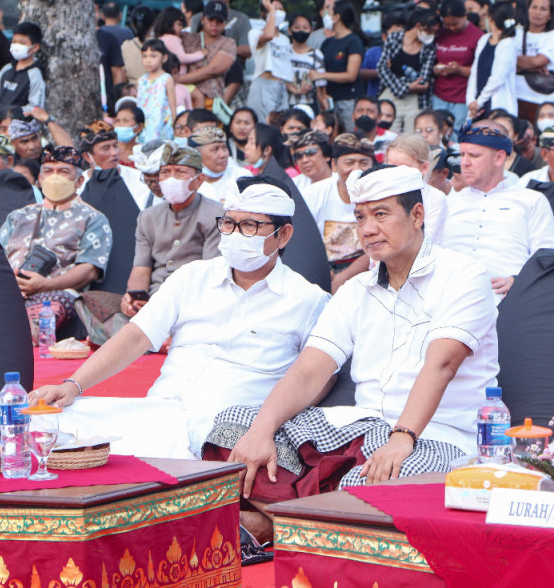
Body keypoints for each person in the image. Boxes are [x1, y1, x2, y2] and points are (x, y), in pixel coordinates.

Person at [204, 165, 498, 542]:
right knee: (234, 426)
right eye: (360, 216)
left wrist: (403, 437)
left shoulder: (464, 275)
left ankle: (270, 524)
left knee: (398, 483)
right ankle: (313, 526)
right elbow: (310, 369)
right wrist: (262, 430)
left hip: (434, 436)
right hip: (356, 427)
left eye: (381, 214)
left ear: (417, 215)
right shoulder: (356, 289)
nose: (367, 229)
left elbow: (442, 363)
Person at [35, 177, 328, 459]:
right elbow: (137, 336)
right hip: (160, 412)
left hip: (227, 431)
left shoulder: (308, 300)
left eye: (250, 225)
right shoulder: (192, 277)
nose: (235, 234)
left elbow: (319, 379)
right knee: (48, 422)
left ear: (284, 234)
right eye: (228, 223)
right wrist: (73, 386)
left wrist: (268, 429)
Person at [0, 145, 112, 337]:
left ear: (79, 181)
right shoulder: (19, 215)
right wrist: (10, 284)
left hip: (56, 293)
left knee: (50, 309)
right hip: (7, 290)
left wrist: (44, 285)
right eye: (48, 171)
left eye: (63, 171)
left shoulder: (93, 218)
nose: (54, 176)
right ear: (40, 180)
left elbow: (90, 269)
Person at [443, 120, 554, 298]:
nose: (464, 162)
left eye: (473, 155)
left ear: (499, 158)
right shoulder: (448, 202)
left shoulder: (531, 200)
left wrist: (517, 280)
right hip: (449, 298)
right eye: (462, 154)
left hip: (510, 300)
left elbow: (546, 258)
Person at [120, 144, 223, 317]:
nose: (171, 179)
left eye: (180, 172)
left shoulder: (217, 215)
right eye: (166, 172)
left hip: (194, 301)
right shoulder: (148, 217)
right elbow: (141, 268)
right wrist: (133, 298)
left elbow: (210, 274)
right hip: (153, 300)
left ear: (199, 180)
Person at [302, 133, 375, 271]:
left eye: (363, 163)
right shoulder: (313, 194)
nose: (357, 169)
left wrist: (344, 277)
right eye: (349, 163)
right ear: (334, 166)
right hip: (321, 269)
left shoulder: (380, 196)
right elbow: (304, 242)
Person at [310, 0, 364, 129]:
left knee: (348, 136)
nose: (327, 15)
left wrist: (321, 75)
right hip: (328, 100)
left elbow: (351, 75)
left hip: (348, 100)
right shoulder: (327, 43)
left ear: (337, 17)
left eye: (330, 12)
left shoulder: (353, 41)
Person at [385, 134, 449, 244]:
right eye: (391, 167)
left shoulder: (435, 198)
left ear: (424, 168)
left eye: (404, 167)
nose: (396, 173)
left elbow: (425, 239)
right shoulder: (382, 194)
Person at [433, 0, 483, 127]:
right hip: (439, 94)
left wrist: (458, 69)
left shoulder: (477, 36)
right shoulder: (439, 33)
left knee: (457, 135)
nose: (451, 28)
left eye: (455, 23)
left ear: (465, 16)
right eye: (447, 24)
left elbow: (482, 71)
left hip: (463, 97)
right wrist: (435, 69)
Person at [78, 120, 152, 209]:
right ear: (87, 157)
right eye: (106, 148)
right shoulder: (78, 185)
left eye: (116, 146)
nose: (114, 153)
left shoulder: (139, 179)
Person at [179, 1, 236, 110]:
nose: (214, 24)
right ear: (203, 19)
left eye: (219, 21)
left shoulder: (228, 43)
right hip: (185, 97)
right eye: (211, 19)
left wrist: (178, 79)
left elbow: (212, 69)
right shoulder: (188, 38)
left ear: (225, 23)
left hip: (211, 100)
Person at [515, 0, 554, 122]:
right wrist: (531, 67)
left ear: (550, 14)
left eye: (543, 9)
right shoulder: (516, 34)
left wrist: (516, 60)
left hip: (542, 99)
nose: (538, 12)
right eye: (534, 7)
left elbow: (539, 61)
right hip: (515, 96)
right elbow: (504, 62)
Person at [467, 3, 519, 121]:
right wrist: (471, 101)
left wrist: (479, 102)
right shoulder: (484, 39)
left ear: (491, 18)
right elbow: (474, 71)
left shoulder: (508, 43)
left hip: (496, 102)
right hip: (477, 104)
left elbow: (498, 78)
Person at [247, 0, 292, 124]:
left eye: (280, 9)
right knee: (263, 125)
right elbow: (268, 35)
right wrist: (272, 13)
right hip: (263, 85)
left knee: (281, 124)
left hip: (281, 86)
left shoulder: (285, 39)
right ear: (264, 13)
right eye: (273, 8)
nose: (278, 12)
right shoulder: (255, 32)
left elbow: (284, 66)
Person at [188, 0, 253, 60]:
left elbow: (247, 50)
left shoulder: (241, 19)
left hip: (233, 69)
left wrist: (219, 51)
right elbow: (193, 48)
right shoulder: (197, 19)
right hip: (203, 67)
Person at [191, 124, 251, 204]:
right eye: (215, 149)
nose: (223, 154)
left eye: (224, 147)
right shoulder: (190, 184)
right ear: (198, 155)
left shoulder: (242, 177)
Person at [0, 22, 46, 114]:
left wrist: (13, 112)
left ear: (35, 47)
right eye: (14, 41)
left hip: (20, 125)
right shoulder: (7, 69)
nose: (16, 45)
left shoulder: (34, 74)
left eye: (22, 43)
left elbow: (35, 107)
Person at [285, 13, 327, 112]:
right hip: (285, 104)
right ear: (289, 31)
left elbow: (321, 88)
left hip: (309, 105)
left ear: (311, 31)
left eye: (305, 27)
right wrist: (291, 87)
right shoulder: (284, 52)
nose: (301, 31)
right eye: (297, 27)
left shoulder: (316, 54)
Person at [136, 39, 176, 142]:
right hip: (144, 124)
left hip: (161, 124)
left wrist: (175, 124)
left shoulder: (166, 79)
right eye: (145, 56)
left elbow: (172, 105)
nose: (148, 60)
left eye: (153, 56)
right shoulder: (141, 80)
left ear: (164, 58)